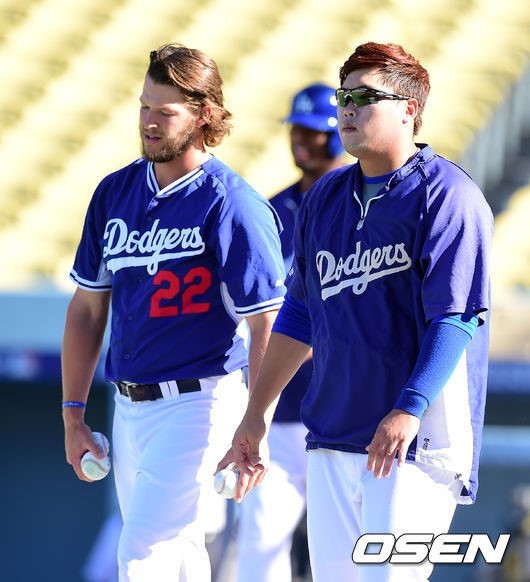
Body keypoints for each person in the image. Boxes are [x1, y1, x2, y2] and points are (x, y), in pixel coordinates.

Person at [219, 41, 493, 582]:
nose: (347, 107)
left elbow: (457, 318)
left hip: (415, 443)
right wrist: (256, 412)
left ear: (409, 109)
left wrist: (409, 408)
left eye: (365, 97)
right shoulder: (325, 198)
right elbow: (299, 315)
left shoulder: (448, 195)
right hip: (331, 434)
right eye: (344, 96)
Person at [61, 43, 286, 582]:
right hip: (128, 405)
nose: (149, 122)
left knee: (144, 554)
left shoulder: (232, 202)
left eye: (165, 112)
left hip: (199, 402)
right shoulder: (115, 193)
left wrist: (254, 422)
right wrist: (73, 415)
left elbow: (267, 325)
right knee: (179, 557)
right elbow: (87, 310)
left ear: (204, 115)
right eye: (144, 107)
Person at [235, 83, 344, 582]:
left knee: (344, 552)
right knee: (260, 544)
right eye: (296, 129)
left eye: (313, 132)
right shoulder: (274, 208)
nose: (301, 140)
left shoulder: (364, 204)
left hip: (342, 409)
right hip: (280, 411)